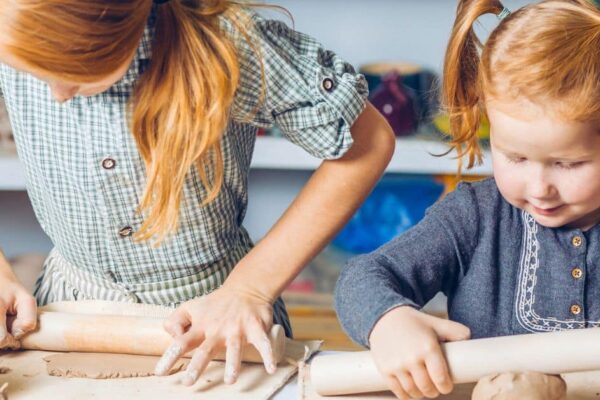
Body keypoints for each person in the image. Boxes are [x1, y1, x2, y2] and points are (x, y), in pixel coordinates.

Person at [0, 0, 395, 386]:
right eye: (33, 73)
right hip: (69, 310)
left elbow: (370, 141)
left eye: (79, 71)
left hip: (218, 318)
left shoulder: (227, 43)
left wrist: (250, 288)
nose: (57, 94)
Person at [335, 0, 600, 398]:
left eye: (567, 163)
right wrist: (389, 321)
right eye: (515, 157)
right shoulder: (474, 217)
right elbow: (363, 279)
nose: (539, 186)